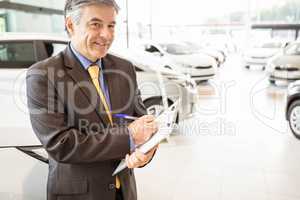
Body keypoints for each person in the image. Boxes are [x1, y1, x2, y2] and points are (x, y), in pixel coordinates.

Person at [26, 0, 158, 200]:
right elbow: (61, 145)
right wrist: (129, 138)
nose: (106, 35)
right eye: (95, 24)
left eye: (111, 25)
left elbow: (140, 124)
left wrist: (146, 151)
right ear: (71, 25)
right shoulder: (44, 75)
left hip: (124, 192)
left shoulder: (124, 68)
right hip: (79, 194)